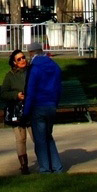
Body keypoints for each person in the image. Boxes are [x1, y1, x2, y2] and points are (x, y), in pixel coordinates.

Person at [22, 42, 64, 174]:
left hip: (38, 105)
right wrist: (54, 103)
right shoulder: (53, 65)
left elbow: (31, 90)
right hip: (51, 104)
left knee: (40, 140)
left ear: (31, 53)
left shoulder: (34, 68)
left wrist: (26, 111)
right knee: (48, 136)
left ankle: (45, 169)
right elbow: (58, 87)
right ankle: (57, 167)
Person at [0, 49, 31, 174]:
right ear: (14, 62)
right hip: (17, 110)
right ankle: (24, 165)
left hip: (30, 108)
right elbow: (3, 93)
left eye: (23, 57)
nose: (22, 60)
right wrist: (16, 95)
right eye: (19, 59)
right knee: (20, 138)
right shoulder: (10, 76)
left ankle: (44, 161)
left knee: (36, 136)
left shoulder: (31, 72)